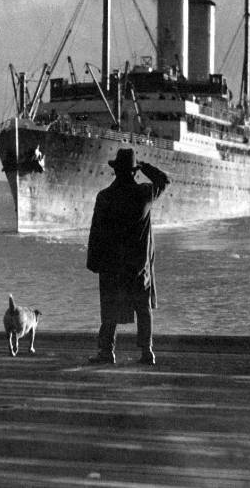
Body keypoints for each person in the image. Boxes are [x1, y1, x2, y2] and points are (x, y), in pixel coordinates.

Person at [86, 148, 169, 365]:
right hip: (138, 265)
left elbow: (95, 232)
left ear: (115, 171)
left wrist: (94, 263)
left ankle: (107, 352)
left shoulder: (104, 196)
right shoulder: (144, 194)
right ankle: (147, 352)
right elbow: (164, 180)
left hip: (112, 265)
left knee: (109, 310)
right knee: (143, 309)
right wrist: (143, 166)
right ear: (134, 172)